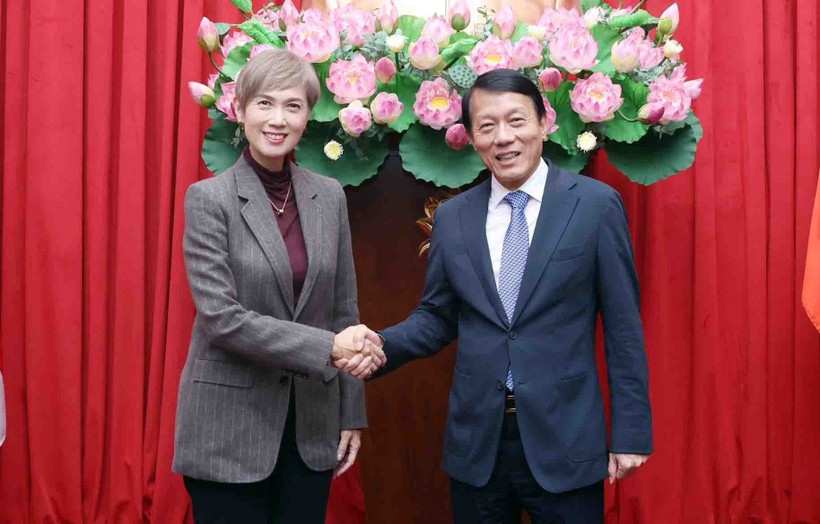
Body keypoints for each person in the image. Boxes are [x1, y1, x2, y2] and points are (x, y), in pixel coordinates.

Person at [359, 69, 653, 523]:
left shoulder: (595, 206)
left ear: (544, 123)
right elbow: (437, 317)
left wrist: (631, 433)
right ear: (471, 137)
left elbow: (623, 328)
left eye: (516, 120)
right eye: (487, 126)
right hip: (478, 444)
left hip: (566, 439)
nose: (503, 137)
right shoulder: (453, 217)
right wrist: (380, 345)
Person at [173, 48, 384, 523]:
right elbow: (222, 319)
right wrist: (328, 347)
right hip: (228, 426)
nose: (278, 119)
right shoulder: (208, 199)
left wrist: (350, 412)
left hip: (311, 424)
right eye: (264, 103)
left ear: (308, 116)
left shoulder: (329, 196)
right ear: (240, 109)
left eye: (293, 105)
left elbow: (344, 310)